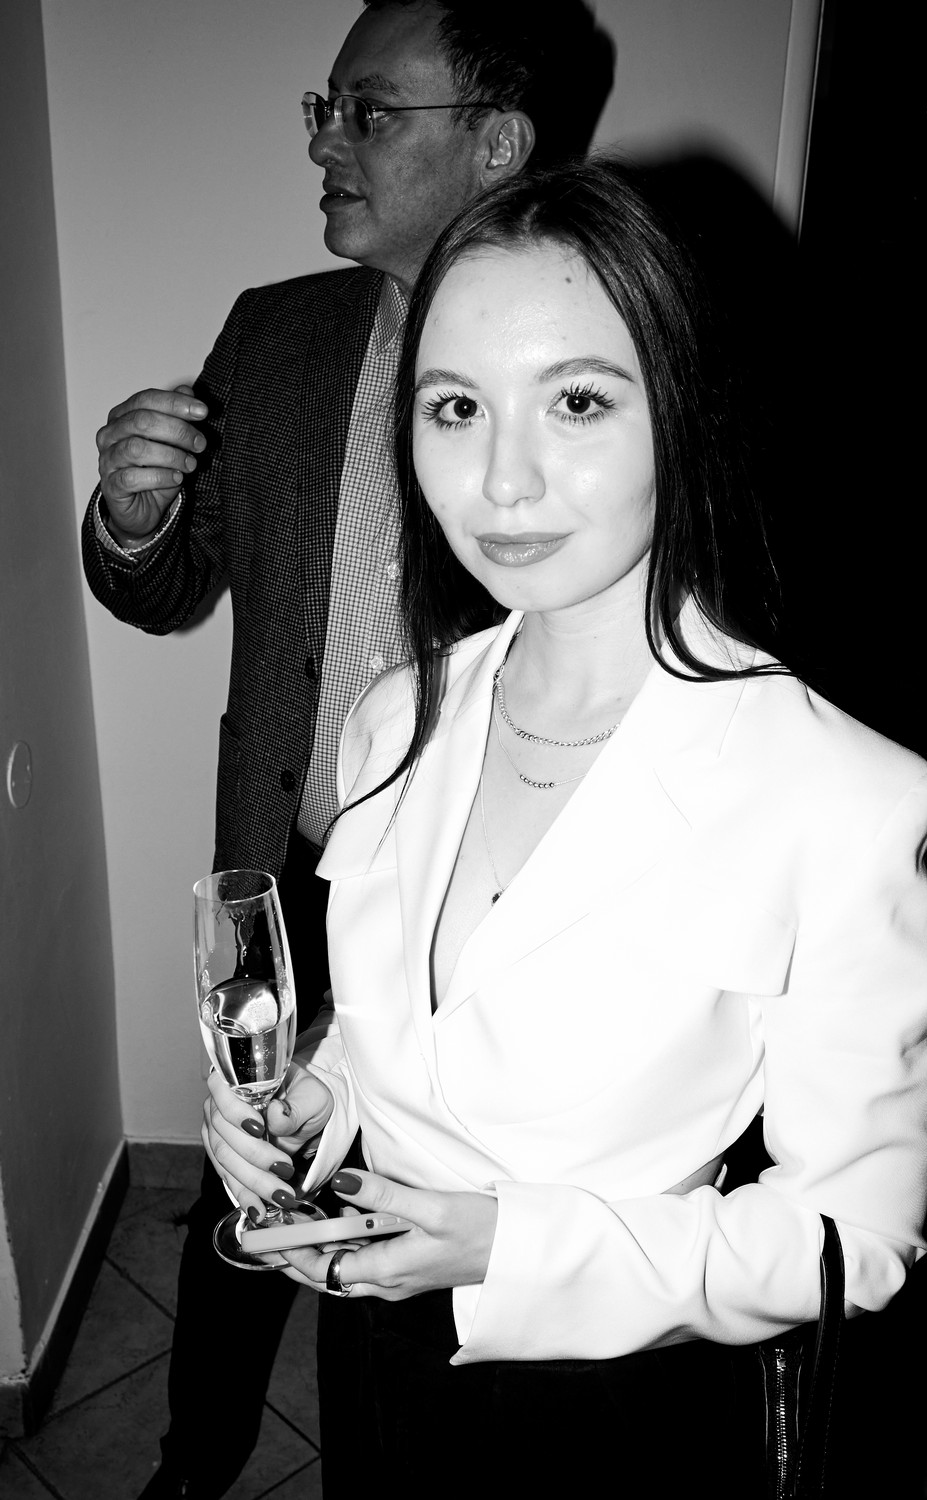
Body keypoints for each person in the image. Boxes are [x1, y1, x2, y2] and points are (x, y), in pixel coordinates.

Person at [203, 159, 927, 1492]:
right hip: (378, 1348)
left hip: (622, 1398)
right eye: (455, 408)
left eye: (579, 401)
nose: (502, 481)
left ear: (684, 411)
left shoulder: (844, 796)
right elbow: (417, 1031)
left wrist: (509, 1247)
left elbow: (856, 1243)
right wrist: (320, 1099)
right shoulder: (395, 715)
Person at [80, 5, 613, 1496]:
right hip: (284, 864)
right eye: (324, 107)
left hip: (482, 897)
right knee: (244, 1186)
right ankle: (196, 1462)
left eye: (370, 113)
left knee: (426, 1201)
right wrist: (133, 515)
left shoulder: (596, 344)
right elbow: (164, 588)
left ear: (497, 142)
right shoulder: (275, 331)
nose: (326, 142)